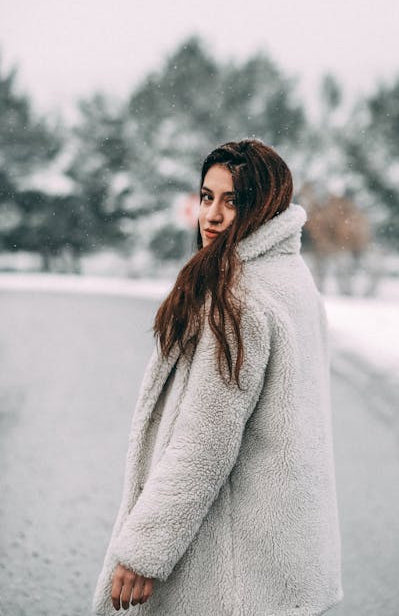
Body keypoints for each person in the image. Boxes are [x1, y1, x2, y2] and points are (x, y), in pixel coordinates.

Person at [92, 138, 343, 615]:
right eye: (207, 197)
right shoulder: (293, 279)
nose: (211, 215)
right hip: (286, 556)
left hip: (234, 571)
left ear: (264, 206)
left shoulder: (241, 299)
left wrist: (143, 552)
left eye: (233, 201)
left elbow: (203, 445)